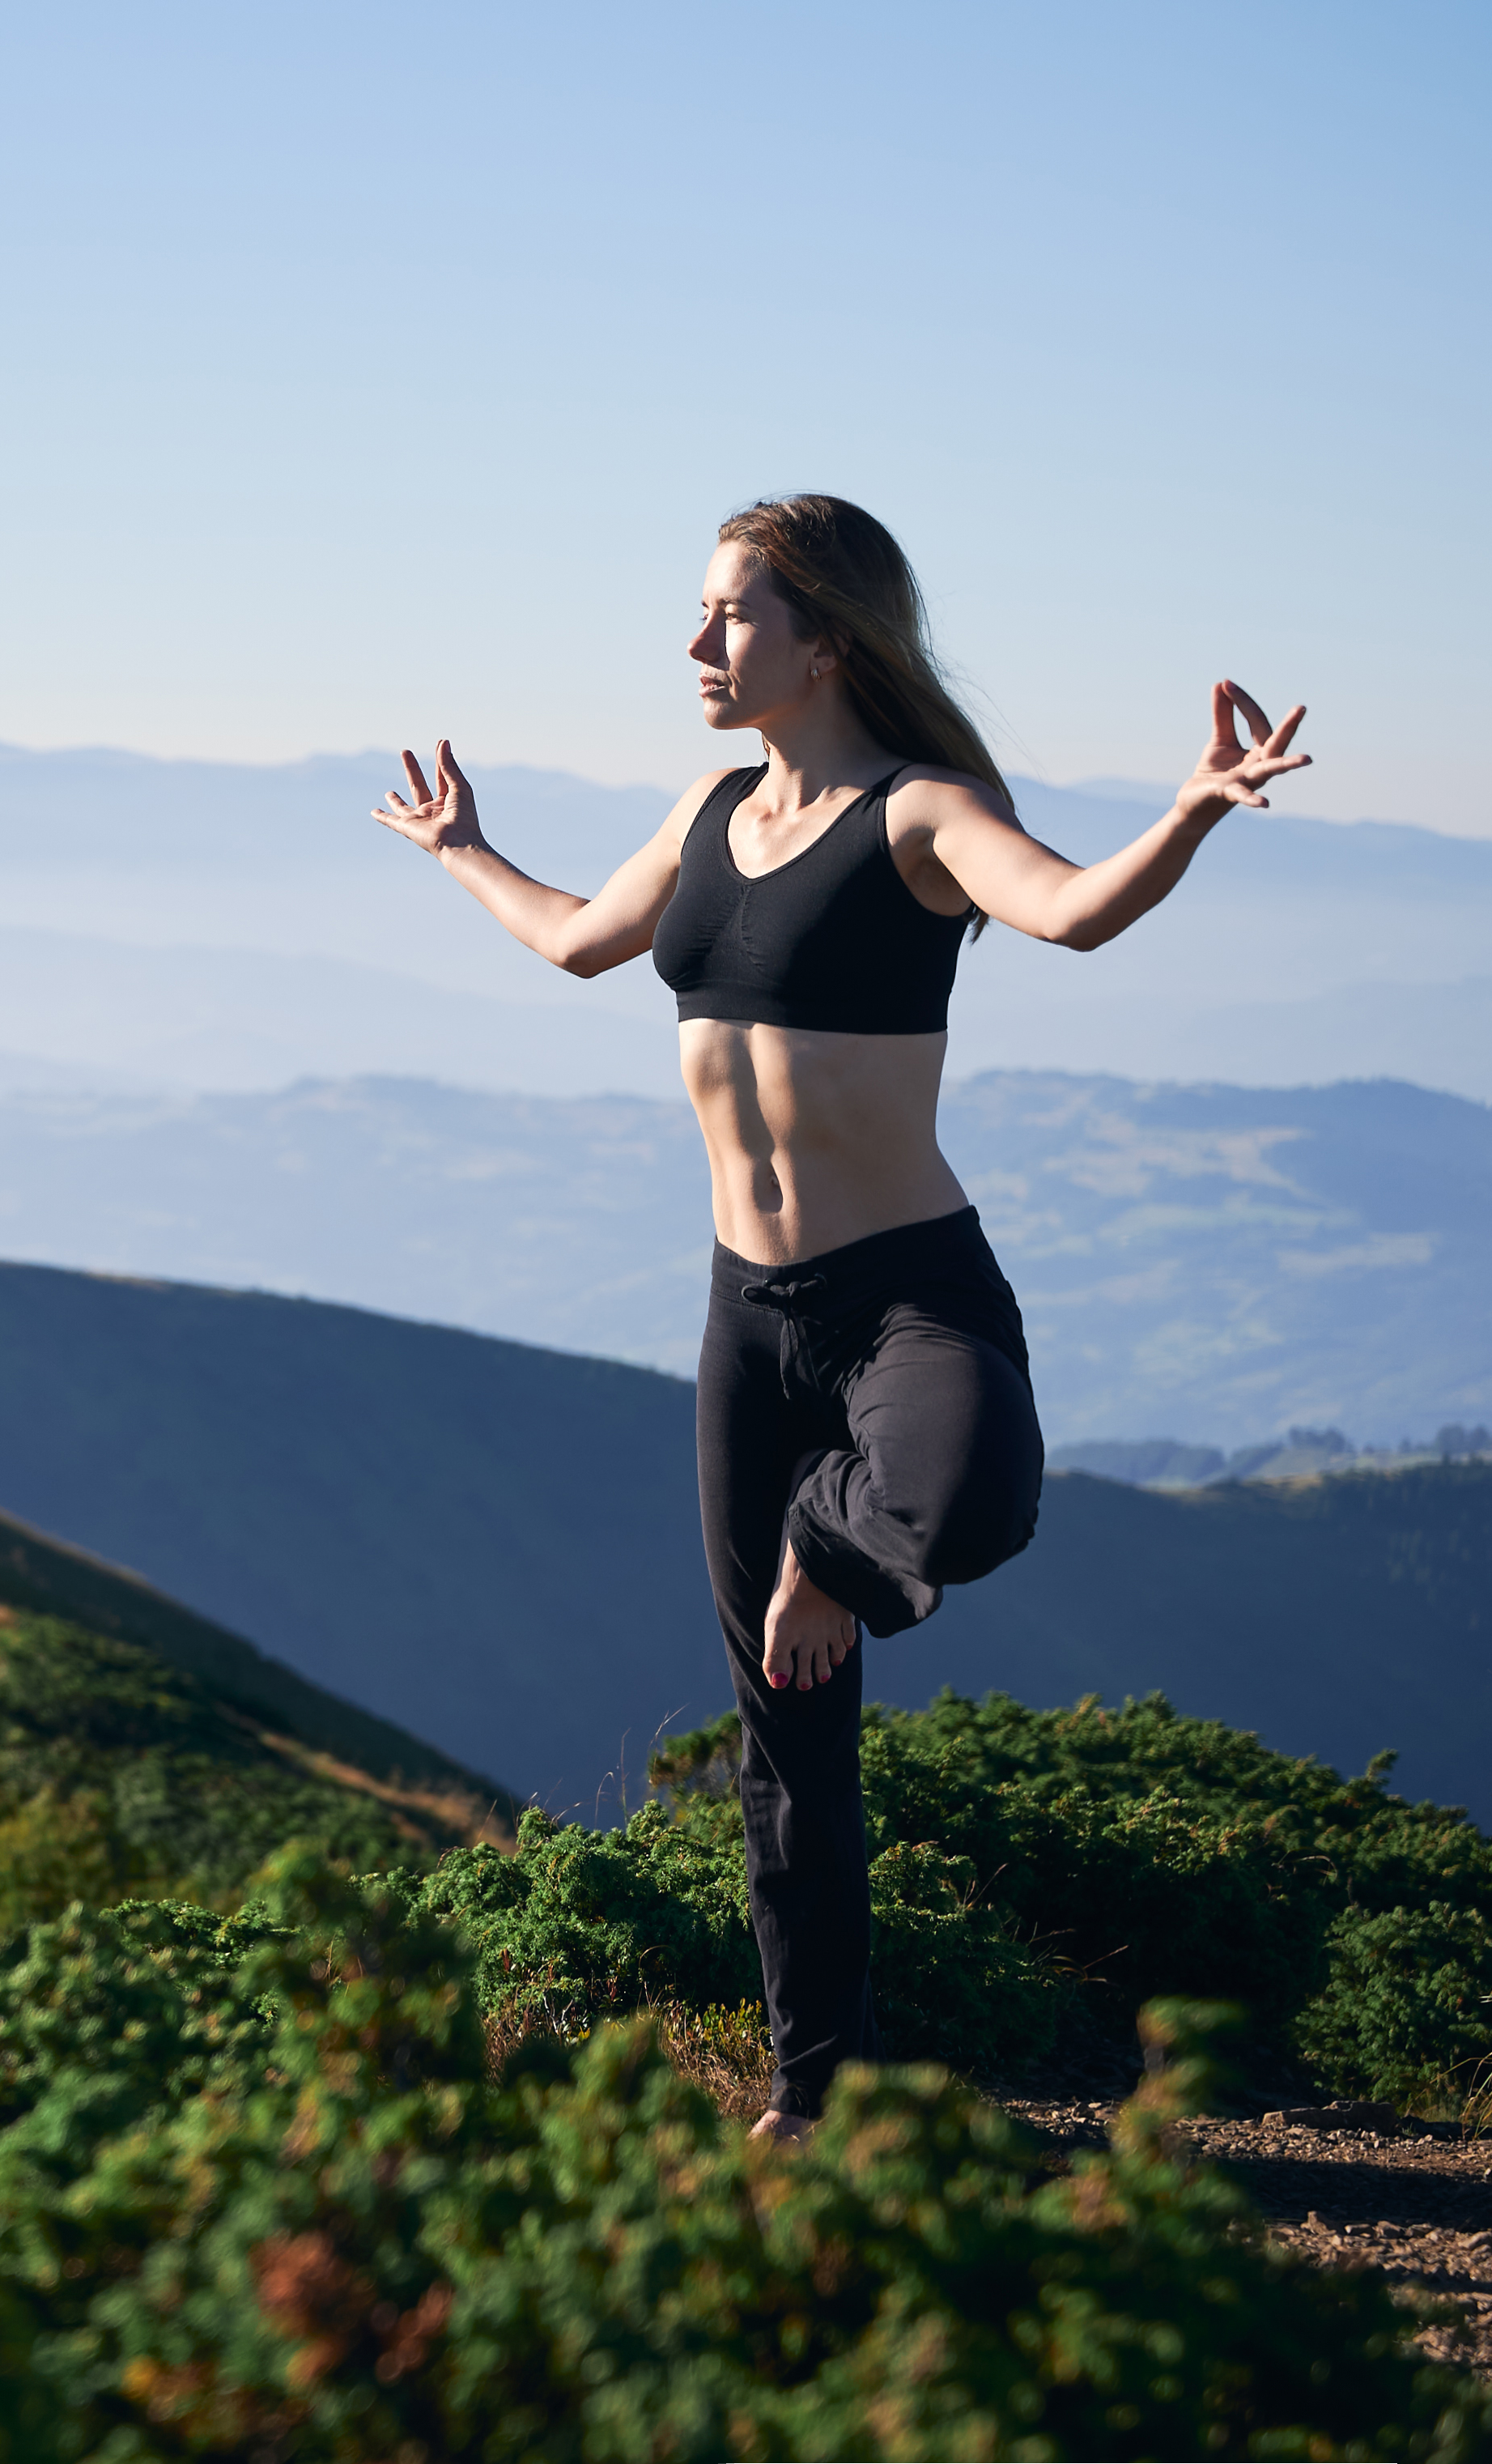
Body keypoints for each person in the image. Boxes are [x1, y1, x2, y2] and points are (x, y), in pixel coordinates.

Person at [366, 493, 1311, 2143]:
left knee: (971, 1499)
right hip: (747, 1324)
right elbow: (582, 941)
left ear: (831, 636)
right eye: (705, 613)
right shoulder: (713, 812)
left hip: (905, 1298)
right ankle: (823, 2097)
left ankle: (838, 1535)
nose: (699, 645)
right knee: (789, 1753)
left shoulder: (919, 816)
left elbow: (1074, 910)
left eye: (732, 615)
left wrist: (1193, 810)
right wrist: (461, 853)